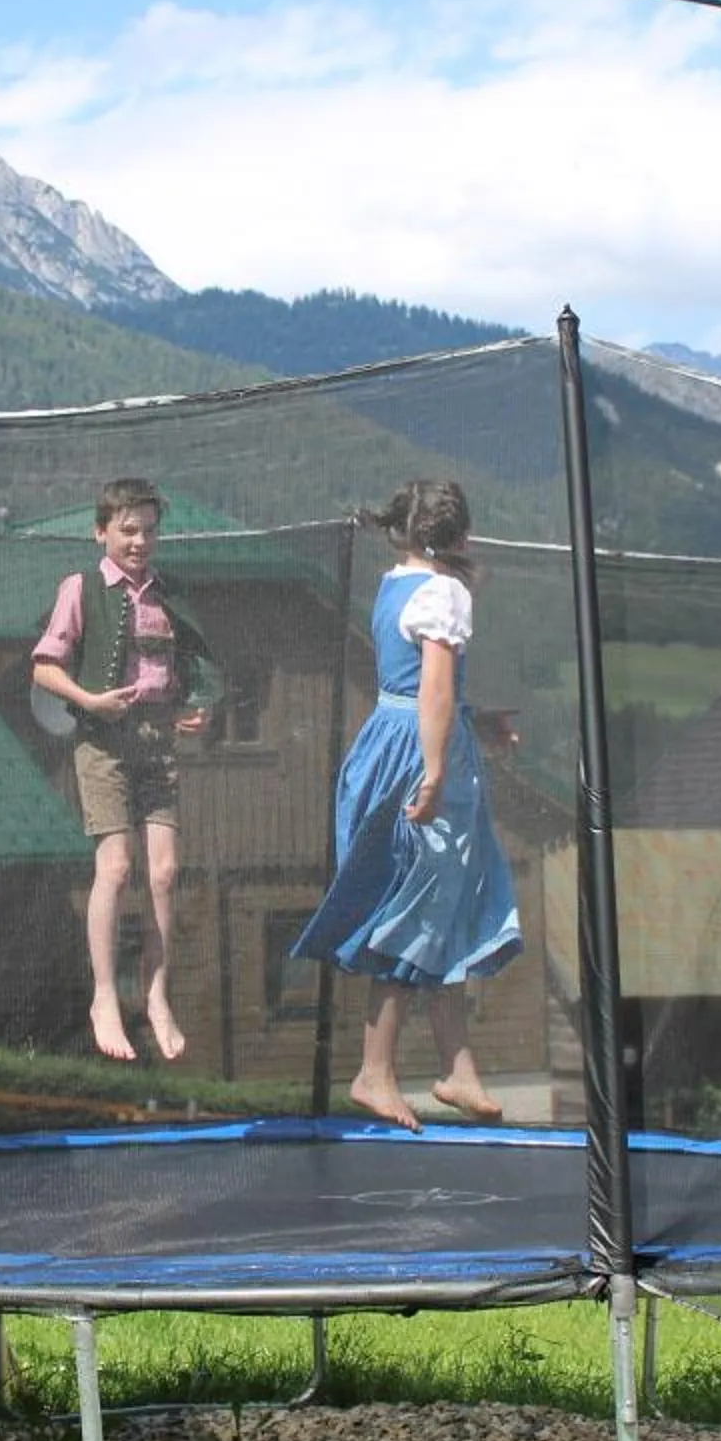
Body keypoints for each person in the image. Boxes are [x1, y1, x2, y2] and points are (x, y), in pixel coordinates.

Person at [294, 479, 520, 1129]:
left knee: (443, 905)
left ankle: (457, 1067)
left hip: (392, 740)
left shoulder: (397, 581)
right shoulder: (444, 592)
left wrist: (476, 725)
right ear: (459, 537)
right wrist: (436, 768)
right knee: (416, 908)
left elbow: (416, 686)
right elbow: (436, 694)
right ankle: (375, 1071)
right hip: (421, 755)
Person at [29, 478, 222, 1061]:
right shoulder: (82, 588)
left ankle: (157, 994)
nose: (139, 541)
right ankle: (104, 996)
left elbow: (200, 668)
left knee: (163, 873)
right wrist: (89, 702)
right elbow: (44, 668)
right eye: (127, 530)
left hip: (156, 742)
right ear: (102, 531)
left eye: (148, 530)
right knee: (115, 867)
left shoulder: (169, 593)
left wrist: (198, 711)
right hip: (104, 743)